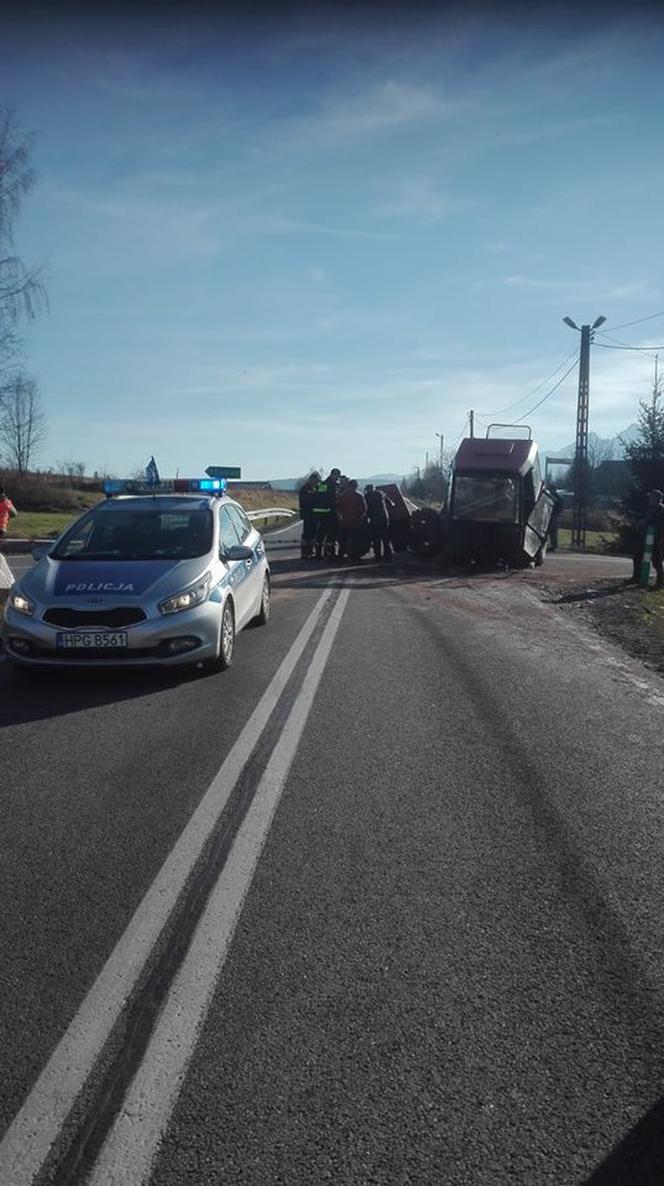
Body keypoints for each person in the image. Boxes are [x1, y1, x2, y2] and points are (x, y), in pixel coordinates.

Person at [631, 488, 664, 587]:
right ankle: (636, 578)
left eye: (651, 497)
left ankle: (660, 582)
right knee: (637, 557)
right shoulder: (648, 509)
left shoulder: (661, 510)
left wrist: (646, 521)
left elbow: (659, 523)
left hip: (656, 538)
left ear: (657, 498)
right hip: (644, 537)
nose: (649, 499)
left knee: (656, 561)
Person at [311, 468, 341, 559]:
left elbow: (317, 497)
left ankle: (318, 554)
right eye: (337, 476)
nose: (337, 478)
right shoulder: (333, 485)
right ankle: (329, 554)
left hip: (318, 513)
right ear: (334, 475)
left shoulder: (322, 484)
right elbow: (334, 499)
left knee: (320, 534)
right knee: (331, 534)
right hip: (329, 512)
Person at [336, 479, 367, 561]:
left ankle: (340, 556)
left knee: (343, 540)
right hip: (355, 521)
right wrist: (361, 517)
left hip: (344, 521)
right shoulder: (359, 496)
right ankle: (356, 556)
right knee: (356, 540)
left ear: (349, 486)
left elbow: (337, 507)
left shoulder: (342, 495)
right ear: (356, 486)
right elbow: (364, 509)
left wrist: (340, 516)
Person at [365, 483, 394, 562]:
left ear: (368, 489)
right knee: (385, 537)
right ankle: (388, 555)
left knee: (376, 538)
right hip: (384, 517)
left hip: (374, 519)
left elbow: (365, 508)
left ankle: (378, 556)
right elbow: (392, 504)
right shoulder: (381, 493)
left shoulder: (367, 496)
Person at [298, 472, 320, 559]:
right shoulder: (305, 489)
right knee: (307, 534)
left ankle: (309, 551)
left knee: (312, 534)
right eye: (315, 480)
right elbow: (306, 502)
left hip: (313, 514)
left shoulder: (313, 488)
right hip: (308, 514)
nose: (316, 482)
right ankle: (305, 552)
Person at [547, 484, 563, 552]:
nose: (551, 490)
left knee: (553, 532)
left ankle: (554, 546)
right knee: (547, 531)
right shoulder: (548, 496)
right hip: (548, 516)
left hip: (554, 516)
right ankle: (547, 545)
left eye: (552, 489)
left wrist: (556, 514)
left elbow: (560, 507)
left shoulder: (558, 498)